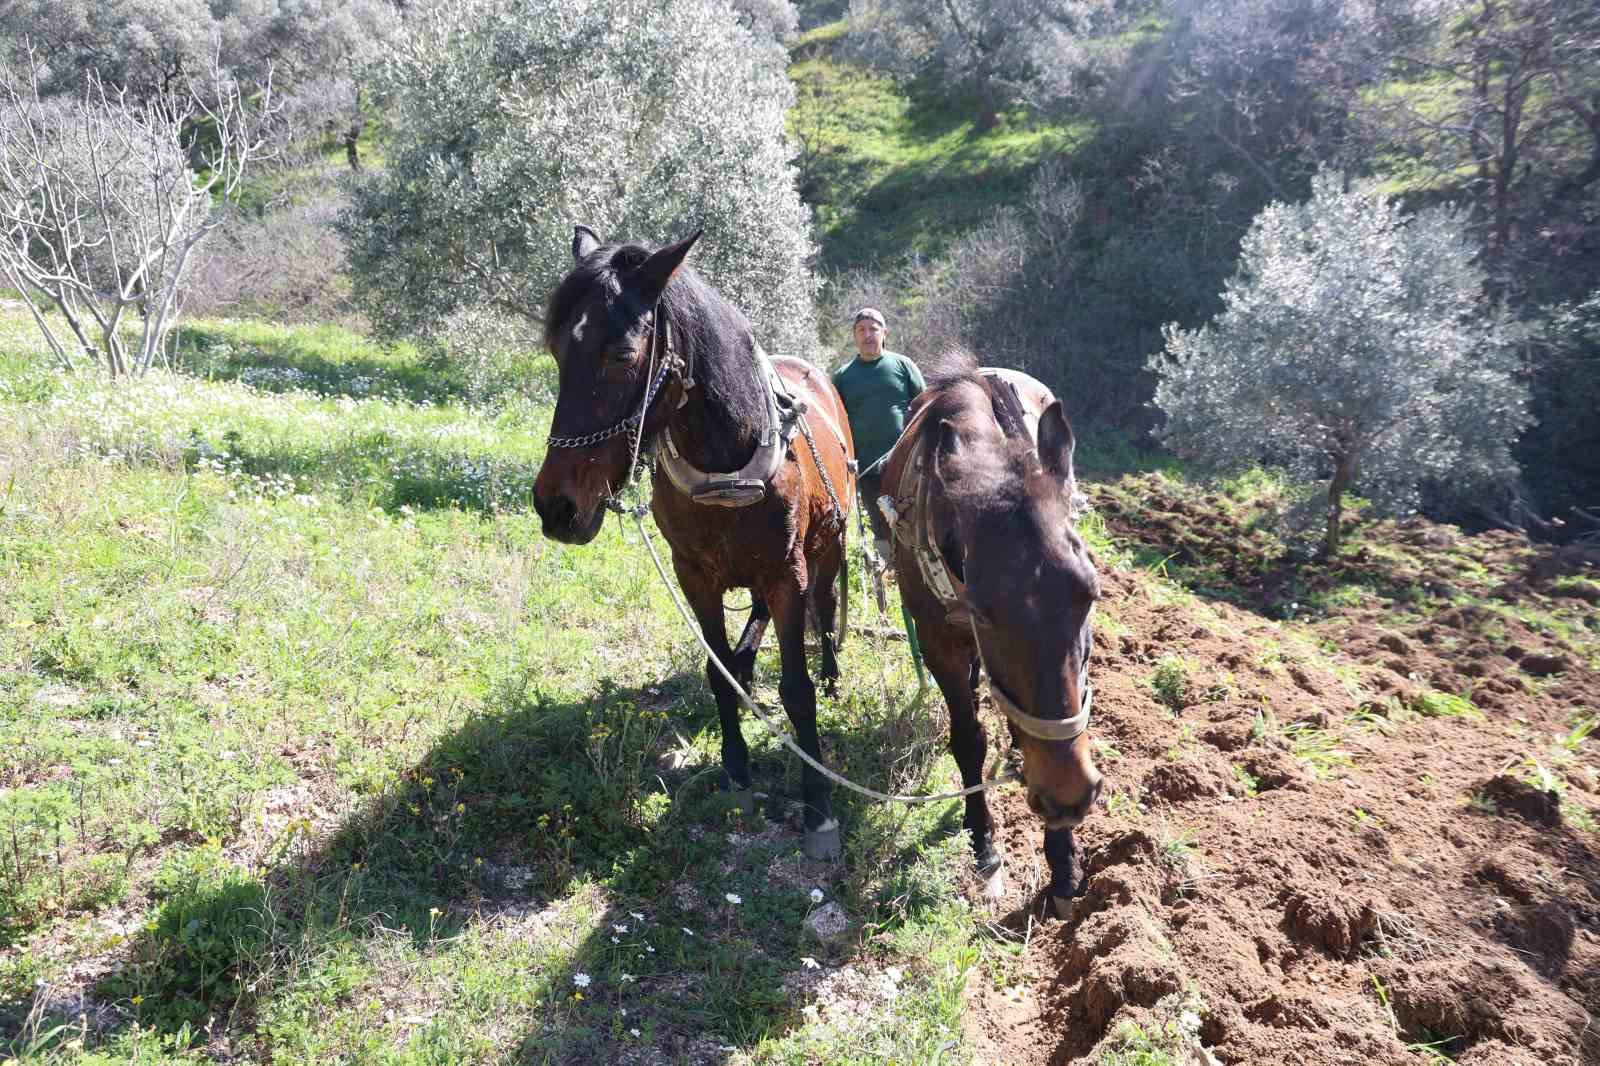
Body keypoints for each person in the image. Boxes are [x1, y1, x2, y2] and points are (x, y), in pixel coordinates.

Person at [831, 307, 926, 564]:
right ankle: (891, 569)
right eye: (861, 330)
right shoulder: (842, 376)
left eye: (873, 329)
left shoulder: (903, 365)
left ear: (884, 333)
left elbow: (924, 407)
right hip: (868, 471)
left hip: (908, 464)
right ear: (854, 336)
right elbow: (834, 424)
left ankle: (920, 565)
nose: (868, 335)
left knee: (916, 516)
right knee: (881, 522)